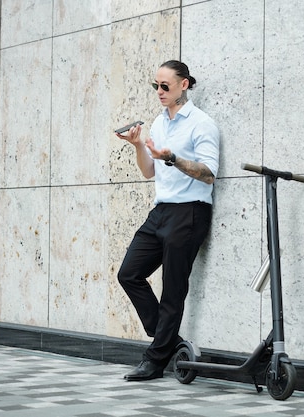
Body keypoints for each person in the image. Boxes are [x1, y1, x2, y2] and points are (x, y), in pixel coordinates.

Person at [115, 60, 220, 381]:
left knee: (173, 290)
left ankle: (155, 361)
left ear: (184, 85)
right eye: (155, 86)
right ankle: (168, 340)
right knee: (129, 274)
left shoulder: (201, 124)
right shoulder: (159, 124)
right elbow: (150, 171)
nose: (159, 92)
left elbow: (208, 174)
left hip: (190, 211)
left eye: (166, 86)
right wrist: (138, 146)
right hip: (160, 212)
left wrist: (172, 158)